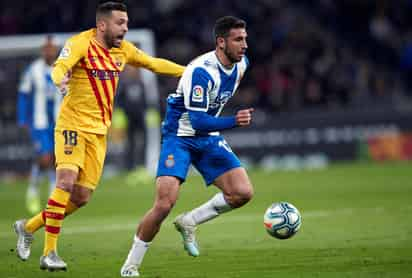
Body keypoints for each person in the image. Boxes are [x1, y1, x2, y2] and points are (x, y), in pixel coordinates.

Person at [13, 1, 185, 272]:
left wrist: (189, 72)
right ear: (102, 25)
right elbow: (60, 66)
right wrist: (59, 79)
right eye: (120, 23)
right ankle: (49, 253)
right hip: (72, 126)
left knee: (81, 197)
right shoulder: (81, 42)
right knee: (66, 181)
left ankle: (28, 226)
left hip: (98, 133)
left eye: (126, 23)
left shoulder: (124, 51)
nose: (125, 28)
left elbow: (153, 64)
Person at [120, 16, 254, 277]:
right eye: (238, 39)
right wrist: (234, 121)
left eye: (245, 38)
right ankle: (130, 266)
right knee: (164, 204)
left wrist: (220, 124)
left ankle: (190, 221)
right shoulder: (201, 71)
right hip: (180, 137)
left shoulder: (241, 65)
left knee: (242, 192)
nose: (244, 45)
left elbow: (208, 118)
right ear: (221, 42)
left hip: (208, 136)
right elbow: (197, 120)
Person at [17, 36, 61, 215]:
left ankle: (51, 195)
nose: (49, 52)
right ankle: (33, 191)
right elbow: (23, 95)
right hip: (39, 122)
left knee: (55, 160)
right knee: (45, 157)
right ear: (43, 50)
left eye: (52, 48)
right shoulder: (33, 70)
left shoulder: (63, 68)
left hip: (58, 121)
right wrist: (22, 119)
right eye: (47, 48)